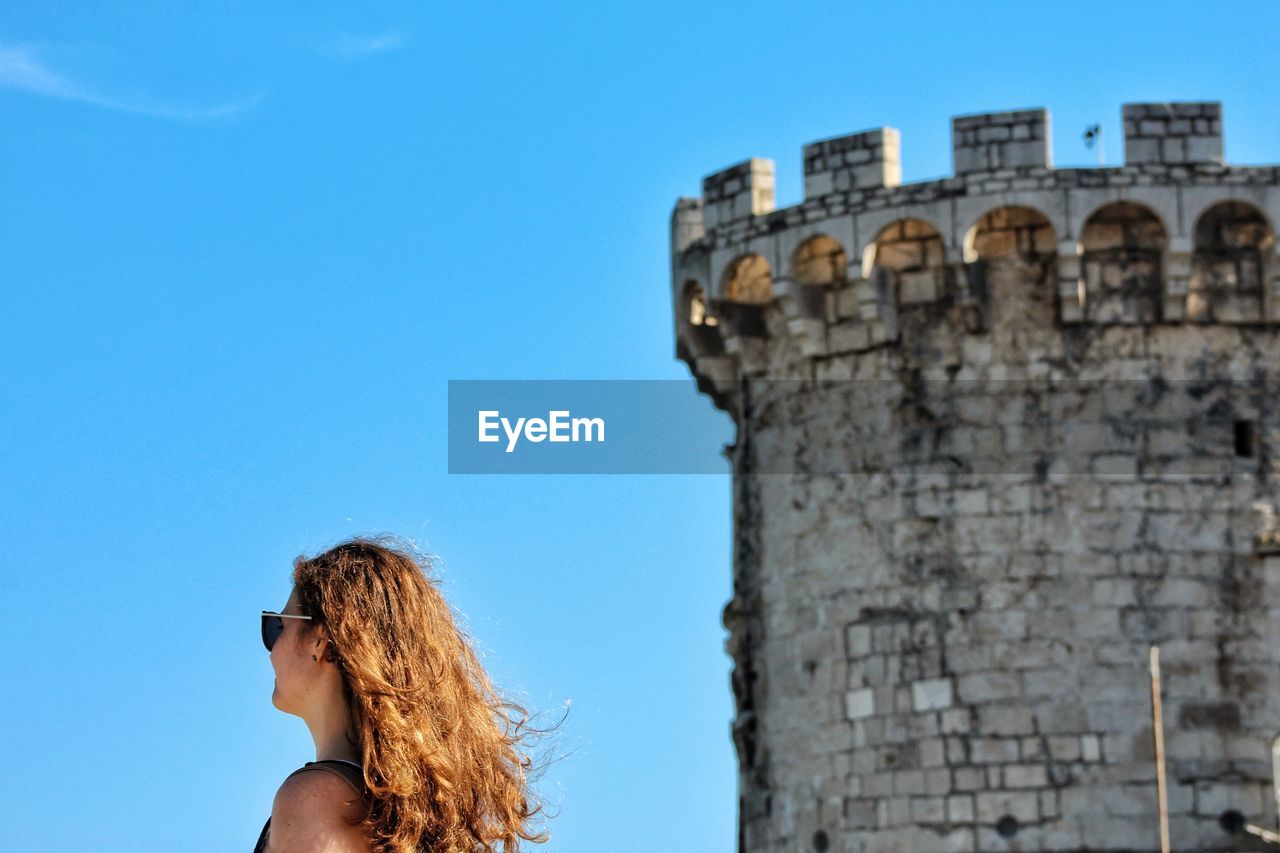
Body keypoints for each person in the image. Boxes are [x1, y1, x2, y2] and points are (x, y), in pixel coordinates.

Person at [254, 535, 552, 852]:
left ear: (320, 641)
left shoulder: (313, 797)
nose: (272, 650)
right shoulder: (412, 815)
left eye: (278, 627)